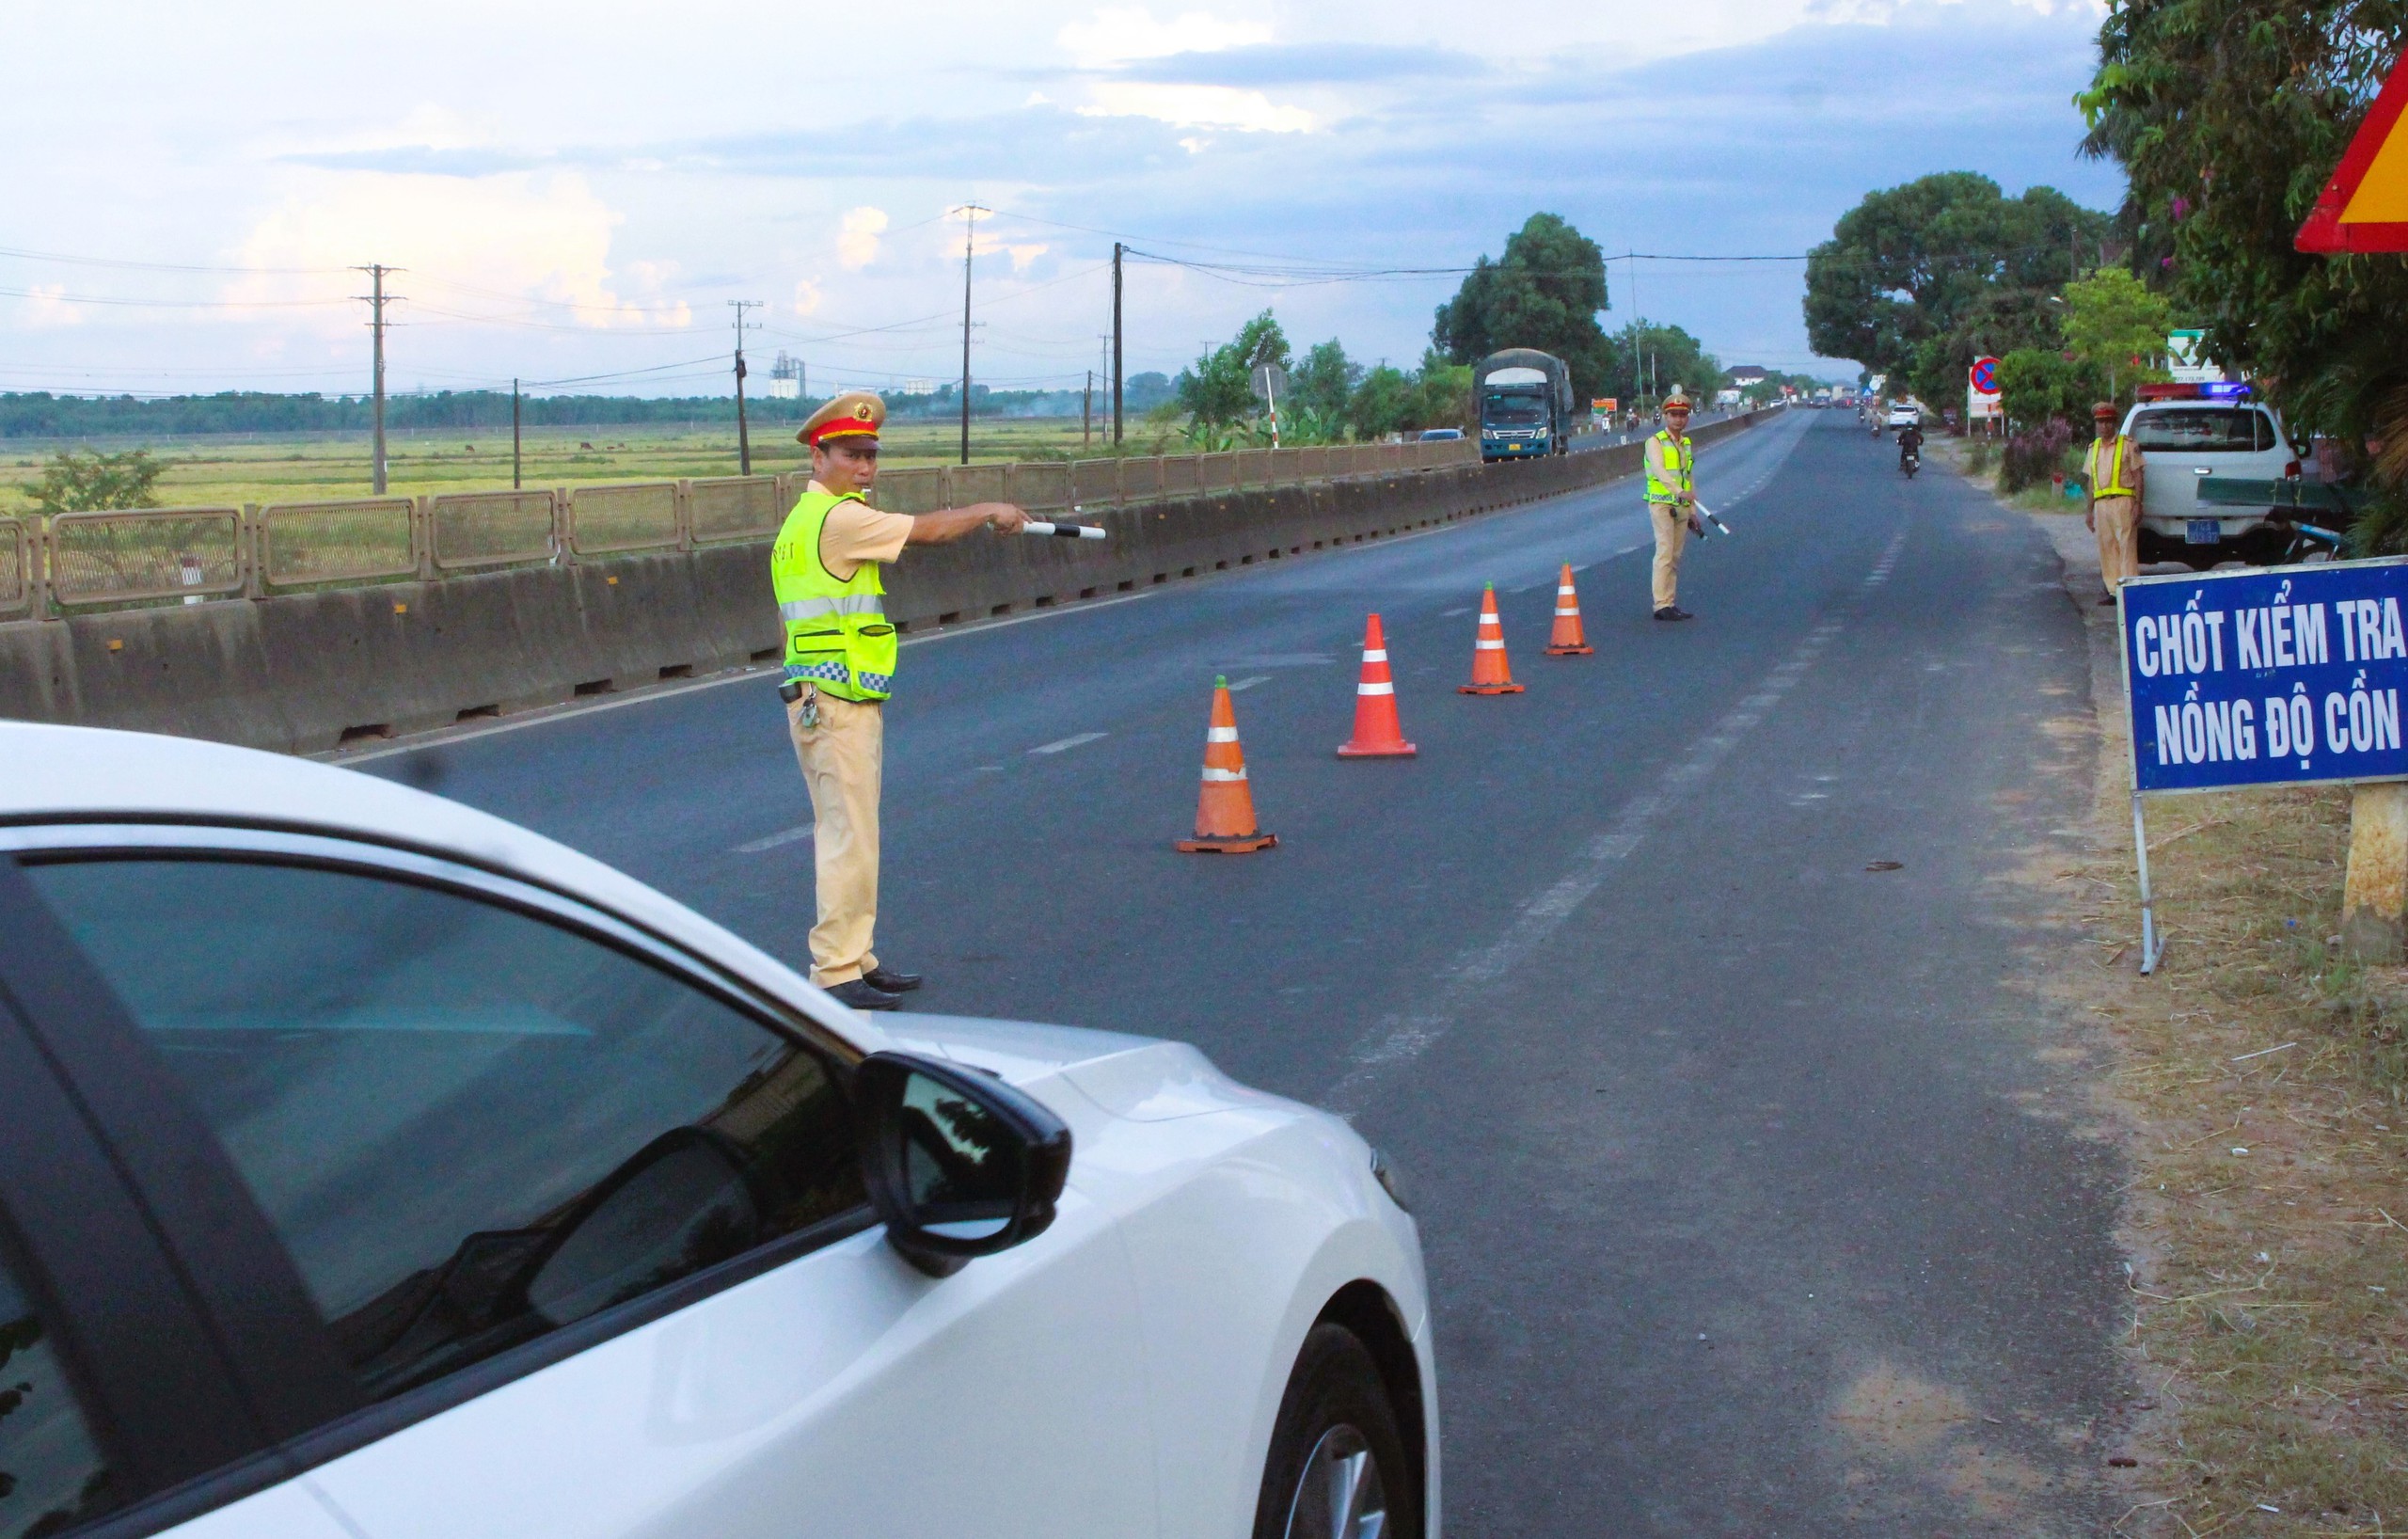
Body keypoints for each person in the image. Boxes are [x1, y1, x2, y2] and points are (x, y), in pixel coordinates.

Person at [771, 391, 1029, 1010]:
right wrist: (992, 507)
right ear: (819, 457)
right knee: (846, 834)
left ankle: (856, 955)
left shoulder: (804, 523)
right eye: (851, 455)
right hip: (832, 700)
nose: (864, 467)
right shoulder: (837, 519)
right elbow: (930, 531)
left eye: (870, 456)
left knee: (857, 833)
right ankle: (836, 969)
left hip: (830, 694)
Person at [1644, 389, 1705, 622]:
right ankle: (1661, 605)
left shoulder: (1685, 443)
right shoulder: (1655, 442)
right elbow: (1659, 471)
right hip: (1661, 503)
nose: (1678, 418)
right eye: (1673, 414)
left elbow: (1688, 477)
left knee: (1675, 556)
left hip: (1681, 506)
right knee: (1664, 553)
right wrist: (1679, 492)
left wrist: (1692, 511)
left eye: (1682, 414)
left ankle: (1669, 602)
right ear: (1665, 417)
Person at [2083, 401, 2146, 606]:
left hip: (2123, 502)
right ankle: (2113, 591)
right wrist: (2089, 510)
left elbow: (2138, 475)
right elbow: (2091, 480)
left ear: (2114, 423)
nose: (2104, 426)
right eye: (2100, 422)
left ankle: (2130, 591)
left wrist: (2138, 503)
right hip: (2102, 505)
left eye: (2108, 422)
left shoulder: (2127, 445)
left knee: (2126, 547)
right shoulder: (2094, 448)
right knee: (2107, 548)